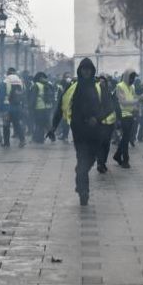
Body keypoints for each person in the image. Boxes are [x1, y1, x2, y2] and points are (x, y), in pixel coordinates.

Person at [48, 58, 109, 206]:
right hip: (79, 131)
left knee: (90, 160)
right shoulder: (72, 87)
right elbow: (60, 107)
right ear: (80, 71)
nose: (86, 71)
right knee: (82, 160)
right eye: (83, 69)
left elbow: (109, 107)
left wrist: (98, 118)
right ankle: (83, 191)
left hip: (96, 131)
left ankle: (80, 176)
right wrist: (53, 127)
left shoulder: (100, 87)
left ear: (92, 70)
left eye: (88, 69)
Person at [114, 70, 139, 169]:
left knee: (126, 138)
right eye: (131, 77)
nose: (132, 80)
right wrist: (136, 101)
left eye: (134, 78)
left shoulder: (132, 87)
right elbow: (123, 102)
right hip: (123, 115)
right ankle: (125, 160)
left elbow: (134, 97)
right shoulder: (119, 86)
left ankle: (117, 155)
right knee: (125, 138)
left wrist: (136, 107)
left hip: (131, 115)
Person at [95, 75, 119, 173]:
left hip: (110, 122)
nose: (102, 84)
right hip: (100, 123)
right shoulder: (95, 94)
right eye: (100, 82)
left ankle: (103, 162)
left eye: (103, 82)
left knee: (106, 144)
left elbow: (115, 106)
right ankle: (100, 163)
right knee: (100, 144)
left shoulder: (109, 93)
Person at [2, 72, 27, 148]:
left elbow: (2, 94)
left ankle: (6, 143)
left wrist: (0, 107)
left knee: (6, 125)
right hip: (18, 106)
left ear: (7, 74)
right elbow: (24, 94)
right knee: (17, 124)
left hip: (8, 107)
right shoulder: (20, 82)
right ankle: (22, 140)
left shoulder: (6, 81)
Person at [28, 72, 53, 144]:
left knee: (39, 123)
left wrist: (30, 107)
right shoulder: (49, 84)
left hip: (39, 107)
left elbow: (33, 98)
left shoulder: (36, 85)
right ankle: (51, 137)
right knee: (46, 122)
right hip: (48, 107)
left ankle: (39, 139)